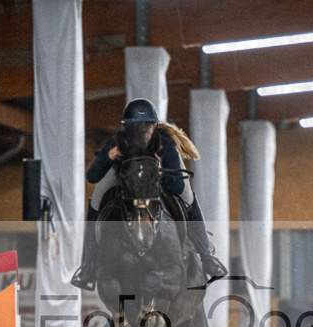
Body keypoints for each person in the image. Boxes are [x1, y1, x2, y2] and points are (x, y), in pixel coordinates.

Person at [71, 98, 227, 290]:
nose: (141, 132)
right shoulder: (116, 143)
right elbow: (92, 176)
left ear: (154, 126)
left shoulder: (166, 145)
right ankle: (89, 264)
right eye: (134, 127)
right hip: (124, 180)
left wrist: (160, 173)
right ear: (126, 127)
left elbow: (177, 185)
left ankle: (207, 256)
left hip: (162, 181)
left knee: (187, 195)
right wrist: (107, 157)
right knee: (96, 199)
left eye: (146, 127)